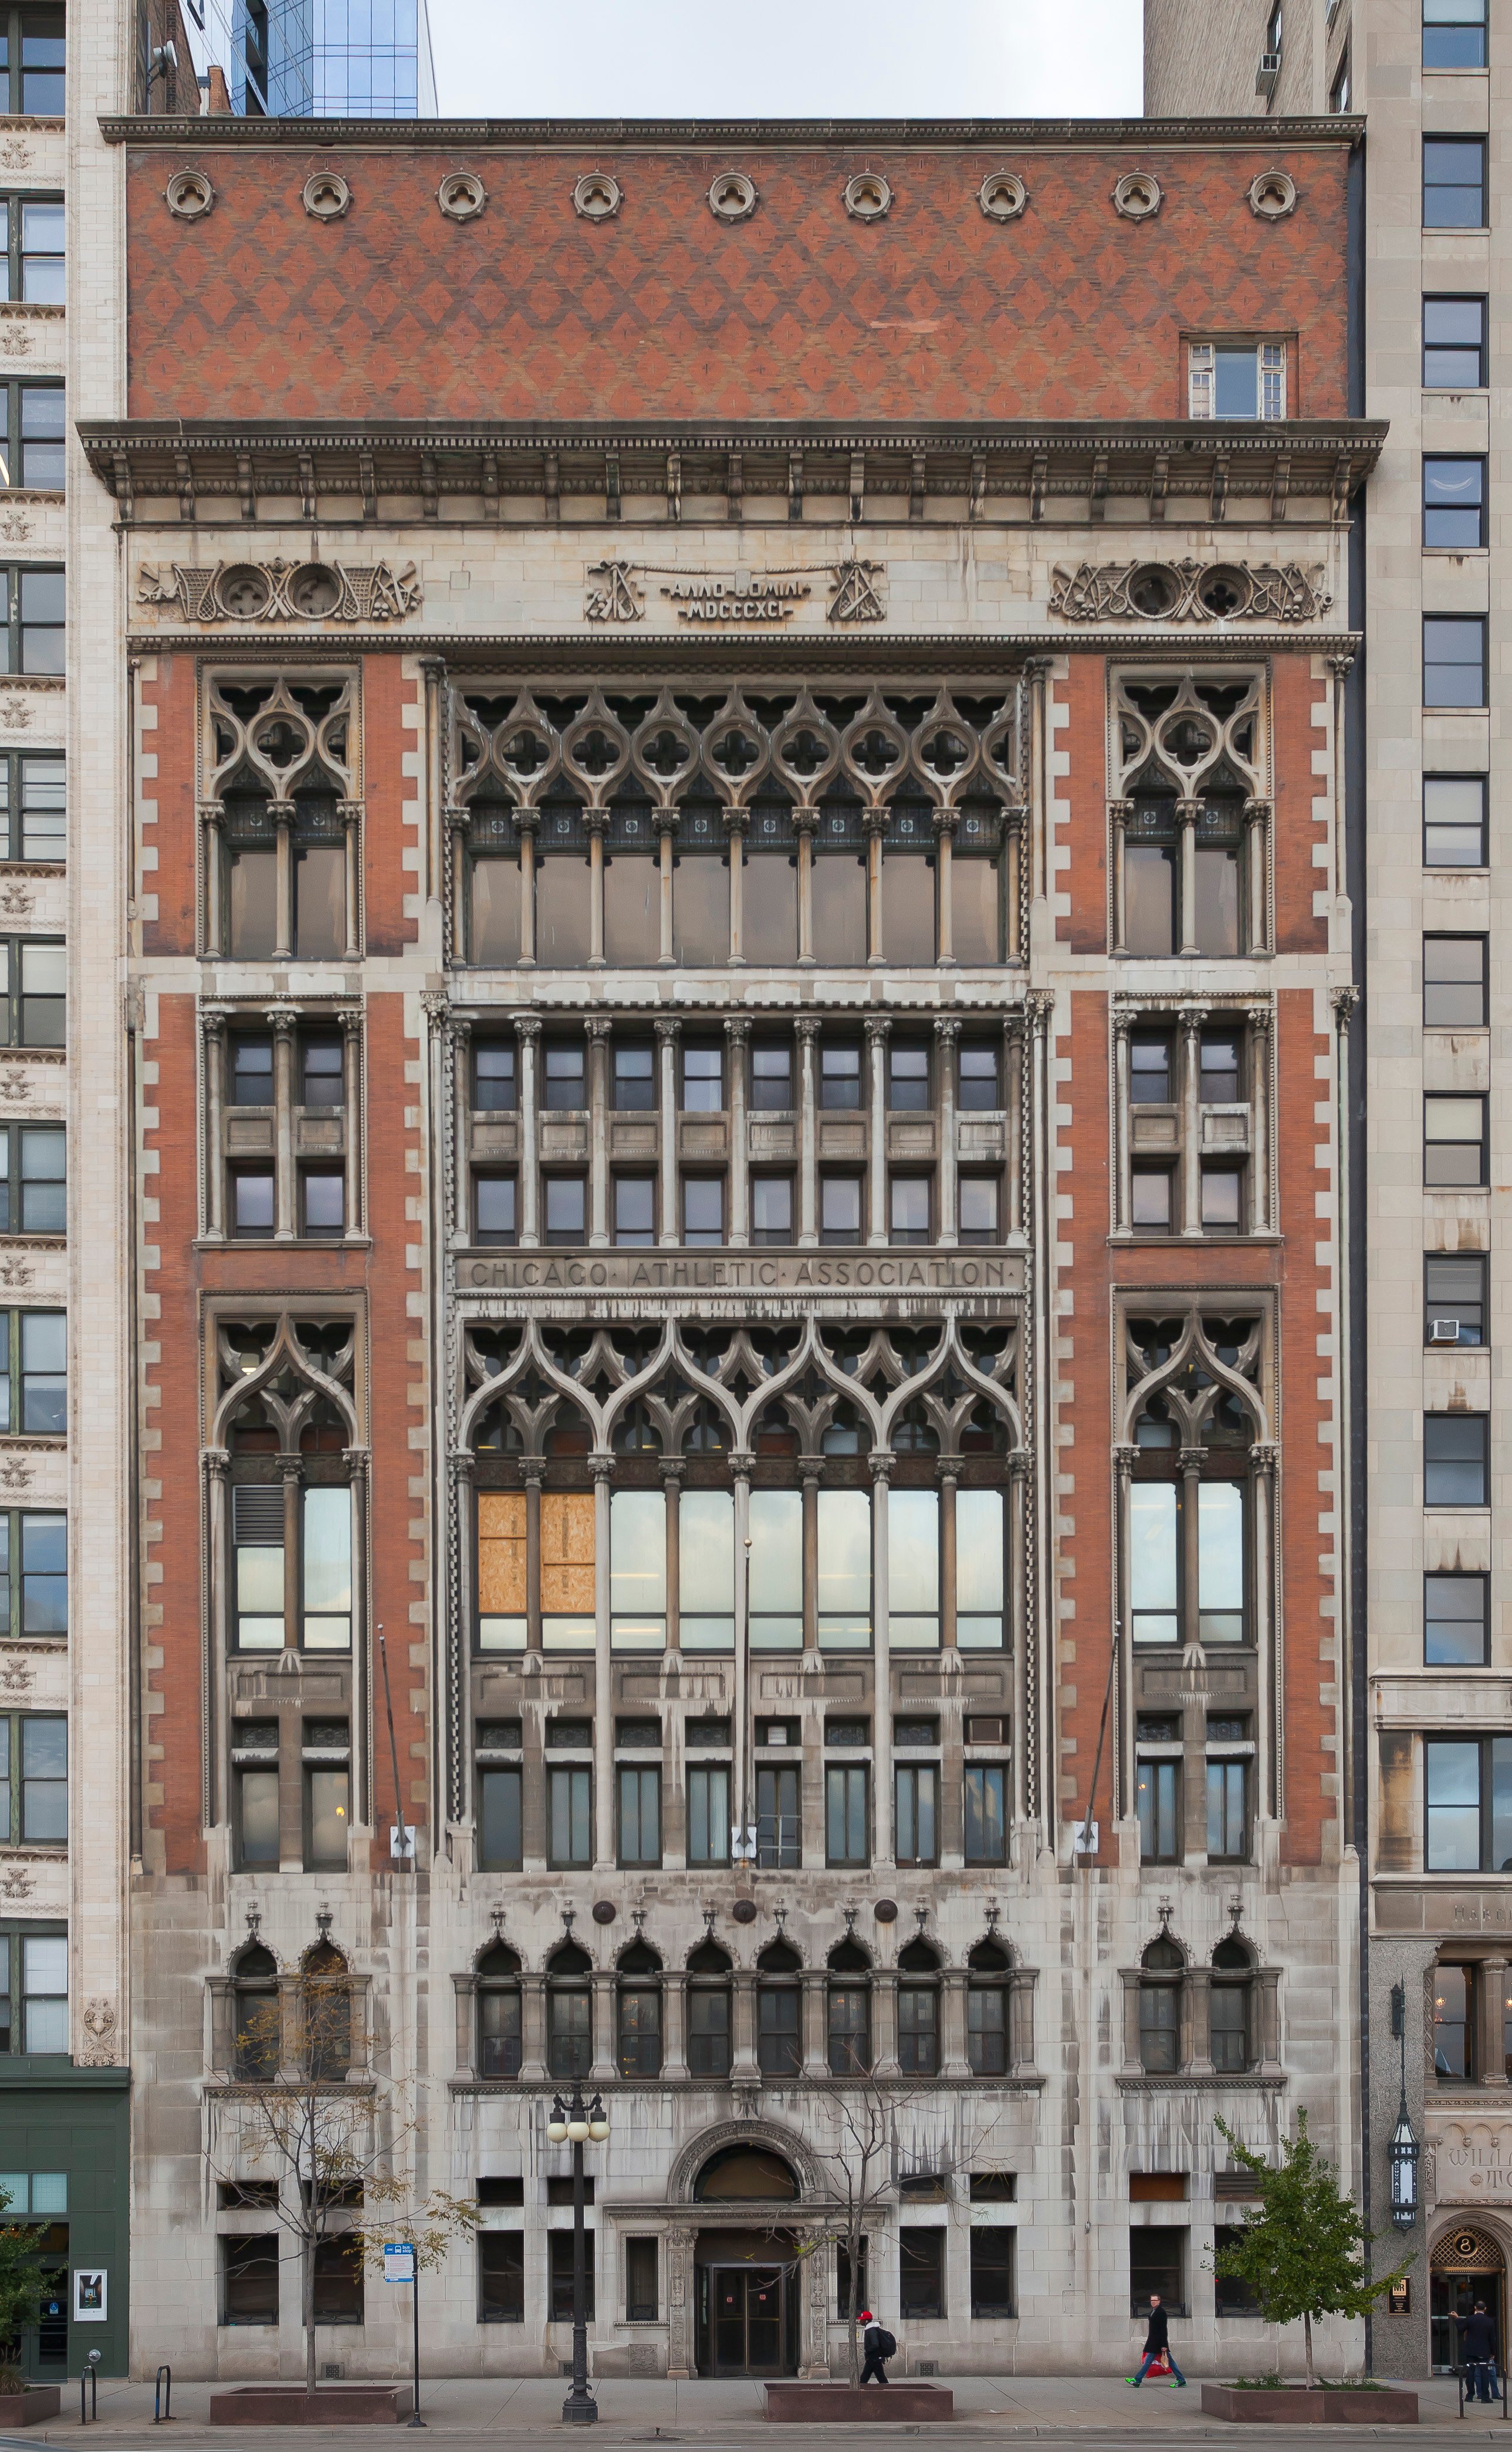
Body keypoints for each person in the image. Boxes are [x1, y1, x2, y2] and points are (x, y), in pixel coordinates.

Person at [1127, 2291, 1188, 2389]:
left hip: (1158, 2343)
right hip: (1154, 2342)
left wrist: (1164, 2345)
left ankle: (1137, 2380)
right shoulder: (1154, 2311)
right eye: (1152, 2300)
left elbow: (1163, 2329)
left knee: (1148, 2362)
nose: (1153, 2302)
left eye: (1155, 2300)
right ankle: (1181, 2380)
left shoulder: (1161, 2312)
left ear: (1159, 2301)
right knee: (1170, 2361)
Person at [1460, 2299, 1499, 2404]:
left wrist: (1456, 2319)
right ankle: (1485, 2396)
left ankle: (1470, 2395)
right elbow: (1492, 2339)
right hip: (1484, 2351)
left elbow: (1461, 2329)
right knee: (1484, 2373)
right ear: (1485, 2309)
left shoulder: (1470, 2319)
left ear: (1475, 2309)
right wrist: (1493, 2352)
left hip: (1471, 2351)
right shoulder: (1490, 2321)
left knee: (1470, 2373)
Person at [858, 2308, 895, 2385]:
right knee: (868, 2377)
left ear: (866, 2321)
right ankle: (887, 2390)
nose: (860, 2321)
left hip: (874, 2358)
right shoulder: (870, 2329)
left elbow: (875, 2344)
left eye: (861, 2320)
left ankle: (889, 2392)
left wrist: (867, 2350)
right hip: (873, 2359)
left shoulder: (872, 2330)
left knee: (877, 2378)